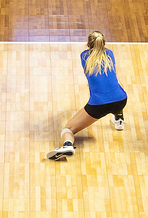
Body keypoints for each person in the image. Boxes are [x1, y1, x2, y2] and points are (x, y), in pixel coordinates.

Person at [47, 32, 127, 161]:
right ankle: (119, 119)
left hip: (98, 105)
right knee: (116, 89)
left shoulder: (84, 56)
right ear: (104, 43)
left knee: (67, 130)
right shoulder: (110, 54)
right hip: (122, 100)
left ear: (88, 44)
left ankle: (67, 145)